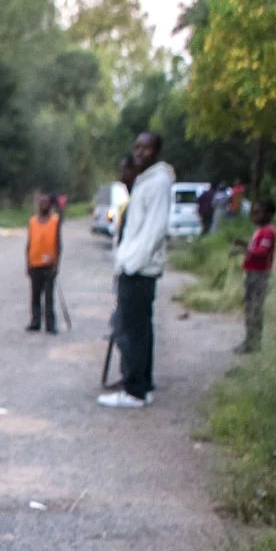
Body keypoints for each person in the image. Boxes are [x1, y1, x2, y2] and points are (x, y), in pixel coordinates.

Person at [99, 131, 174, 409]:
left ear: (156, 151)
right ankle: (142, 383)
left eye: (146, 148)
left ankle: (134, 391)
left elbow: (153, 231)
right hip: (135, 268)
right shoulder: (146, 182)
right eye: (137, 147)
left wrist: (130, 263)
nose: (140, 152)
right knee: (139, 329)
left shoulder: (158, 182)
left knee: (131, 331)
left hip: (139, 270)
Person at [235, 197, 276, 353]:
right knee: (250, 307)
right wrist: (243, 244)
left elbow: (263, 252)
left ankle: (254, 343)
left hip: (260, 274)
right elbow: (255, 248)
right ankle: (249, 340)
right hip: (252, 273)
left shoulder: (268, 232)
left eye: (258, 212)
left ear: (268, 214)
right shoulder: (260, 231)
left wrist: (245, 251)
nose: (254, 215)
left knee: (255, 308)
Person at [25, 191, 62, 333]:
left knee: (49, 297)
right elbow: (29, 244)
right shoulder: (33, 221)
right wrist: (27, 263)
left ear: (50, 205)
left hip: (49, 265)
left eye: (45, 202)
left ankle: (50, 325)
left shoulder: (55, 221)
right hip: (34, 264)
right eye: (41, 202)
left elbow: (58, 244)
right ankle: (35, 322)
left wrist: (57, 264)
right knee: (35, 296)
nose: (42, 205)